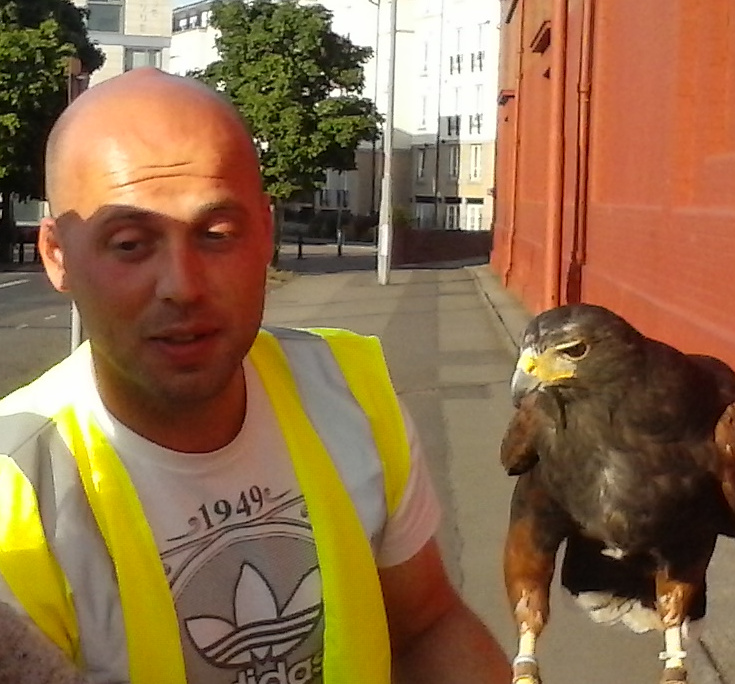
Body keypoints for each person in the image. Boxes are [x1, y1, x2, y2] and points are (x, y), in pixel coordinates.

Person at [0, 68, 511, 684]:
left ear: (265, 232)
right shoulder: (17, 490)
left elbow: (427, 622)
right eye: (131, 243)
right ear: (57, 256)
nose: (182, 287)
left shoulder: (346, 388)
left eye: (216, 235)